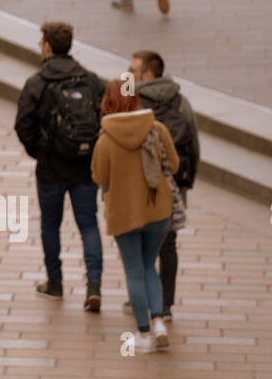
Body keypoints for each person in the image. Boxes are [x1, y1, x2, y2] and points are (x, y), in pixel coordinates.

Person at [14, 21, 105, 310]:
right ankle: (94, 285)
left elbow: (23, 124)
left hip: (51, 168)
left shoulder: (37, 83)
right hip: (84, 166)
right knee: (89, 226)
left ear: (48, 47)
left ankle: (55, 283)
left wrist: (40, 151)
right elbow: (104, 119)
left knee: (50, 225)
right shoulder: (90, 80)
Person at [90, 80, 179, 353]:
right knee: (149, 266)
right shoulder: (157, 129)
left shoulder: (105, 140)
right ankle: (159, 321)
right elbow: (173, 165)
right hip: (158, 210)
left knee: (134, 271)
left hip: (124, 214)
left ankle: (142, 334)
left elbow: (100, 177)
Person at [127, 50, 199, 322]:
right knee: (168, 245)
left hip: (139, 186)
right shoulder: (180, 101)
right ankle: (166, 304)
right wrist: (185, 184)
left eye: (133, 71)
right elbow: (193, 144)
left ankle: (141, 296)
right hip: (172, 186)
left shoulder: (133, 103)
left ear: (147, 75)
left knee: (139, 245)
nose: (128, 75)